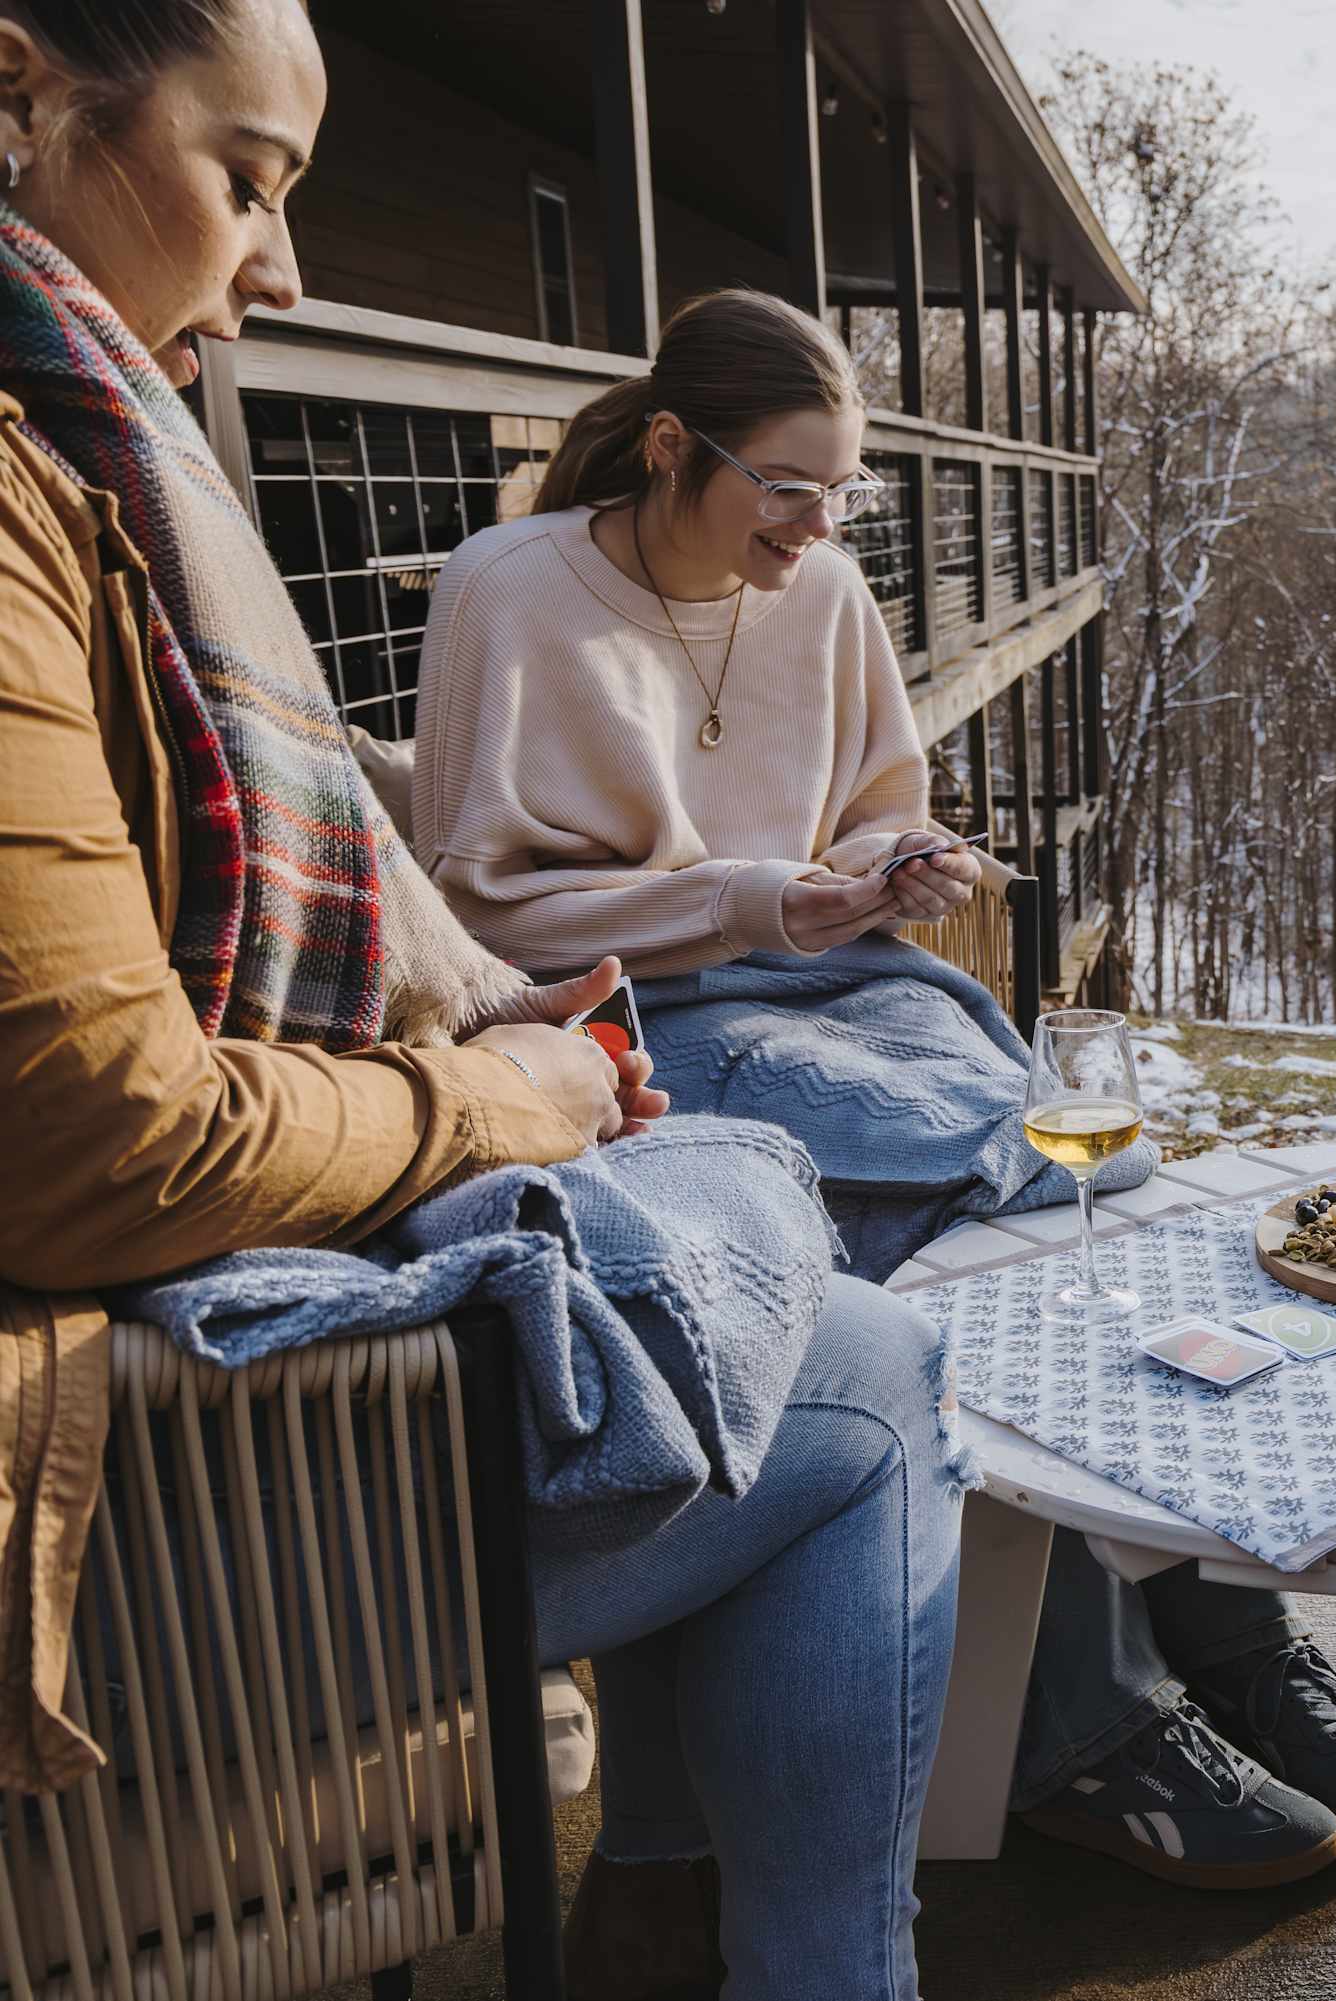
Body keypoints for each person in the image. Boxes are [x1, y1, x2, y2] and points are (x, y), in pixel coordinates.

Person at [0, 3, 964, 1996]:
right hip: (117, 1489)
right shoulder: (45, 506)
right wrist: (502, 1095)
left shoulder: (85, 468)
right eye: (246, 181)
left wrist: (857, 886)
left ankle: (671, 1883)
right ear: (26, 92)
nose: (281, 271)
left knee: (900, 1159)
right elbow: (106, 1141)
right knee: (865, 1376)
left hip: (212, 1320)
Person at [408, 289, 1336, 1903]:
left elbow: (877, 801)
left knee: (1097, 1179)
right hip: (645, 1015)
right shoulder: (510, 589)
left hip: (846, 977)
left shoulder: (820, 587)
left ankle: (1226, 1621)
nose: (817, 529)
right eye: (785, 489)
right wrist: (751, 898)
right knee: (940, 1205)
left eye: (842, 493)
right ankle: (1086, 1721)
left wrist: (897, 863)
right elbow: (484, 908)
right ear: (670, 447)